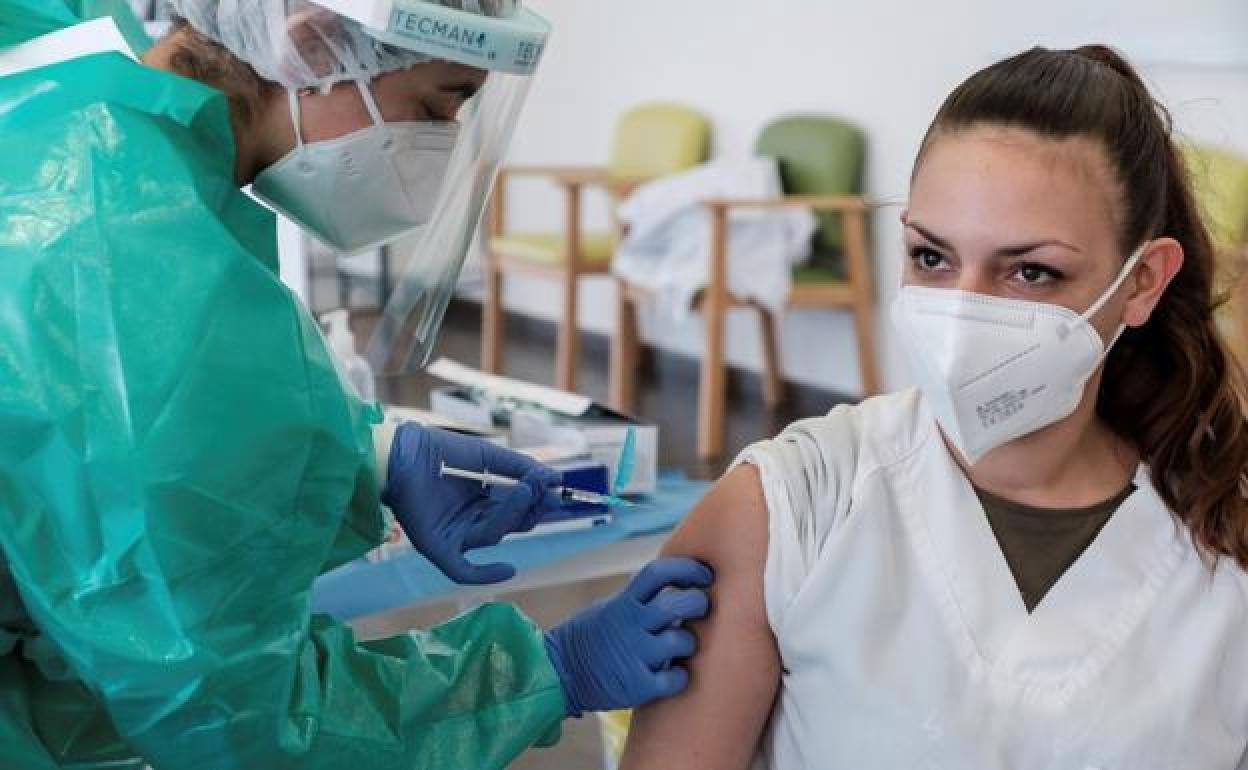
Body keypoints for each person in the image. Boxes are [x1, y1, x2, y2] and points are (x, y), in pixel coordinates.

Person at [0, 1, 711, 768]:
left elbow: (84, 458)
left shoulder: (87, 121)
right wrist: (546, 672)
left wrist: (369, 456)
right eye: (437, 106)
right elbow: (236, 728)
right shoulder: (137, 272)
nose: (442, 146)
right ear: (310, 45)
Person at [621, 44, 1248, 769]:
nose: (961, 315)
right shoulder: (789, 506)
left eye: (1031, 271)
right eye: (931, 257)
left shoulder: (1222, 540)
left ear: (1141, 283)